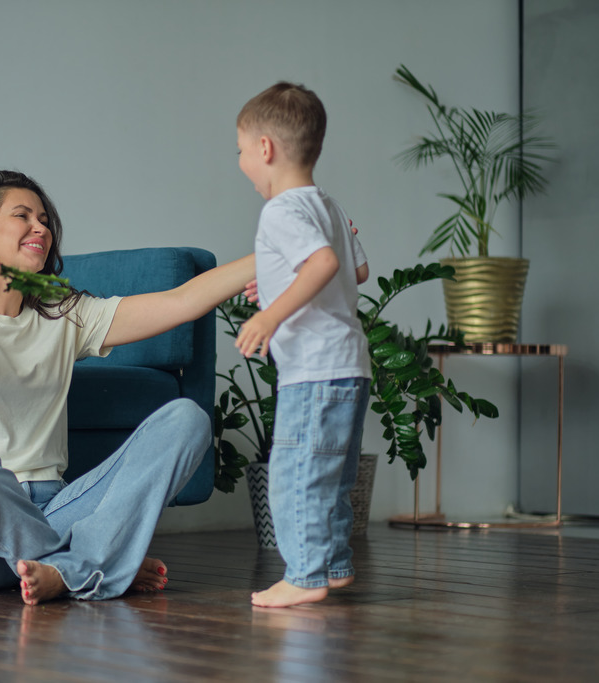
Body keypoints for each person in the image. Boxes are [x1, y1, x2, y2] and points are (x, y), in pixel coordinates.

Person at [0, 170, 256, 605]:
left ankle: (69, 568)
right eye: (23, 215)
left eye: (45, 220)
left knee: (188, 419)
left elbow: (180, 302)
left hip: (53, 512)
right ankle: (91, 565)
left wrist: (276, 253)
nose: (42, 227)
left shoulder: (64, 315)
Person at [233, 82, 371, 608]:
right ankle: (334, 566)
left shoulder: (280, 211)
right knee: (332, 476)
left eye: (241, 150)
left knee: (296, 475)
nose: (242, 161)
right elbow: (356, 267)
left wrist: (269, 314)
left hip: (313, 372)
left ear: (265, 148)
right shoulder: (328, 206)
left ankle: (305, 576)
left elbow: (323, 265)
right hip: (348, 367)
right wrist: (270, 283)